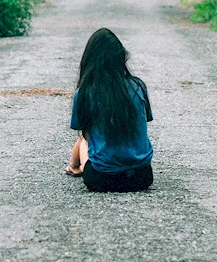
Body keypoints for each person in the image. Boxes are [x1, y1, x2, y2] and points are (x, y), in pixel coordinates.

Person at [65, 27, 154, 192]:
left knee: (84, 140)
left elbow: (83, 133)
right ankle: (75, 166)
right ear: (121, 58)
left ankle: (73, 167)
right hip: (142, 177)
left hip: (102, 179)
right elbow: (144, 121)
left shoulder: (85, 92)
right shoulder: (138, 87)